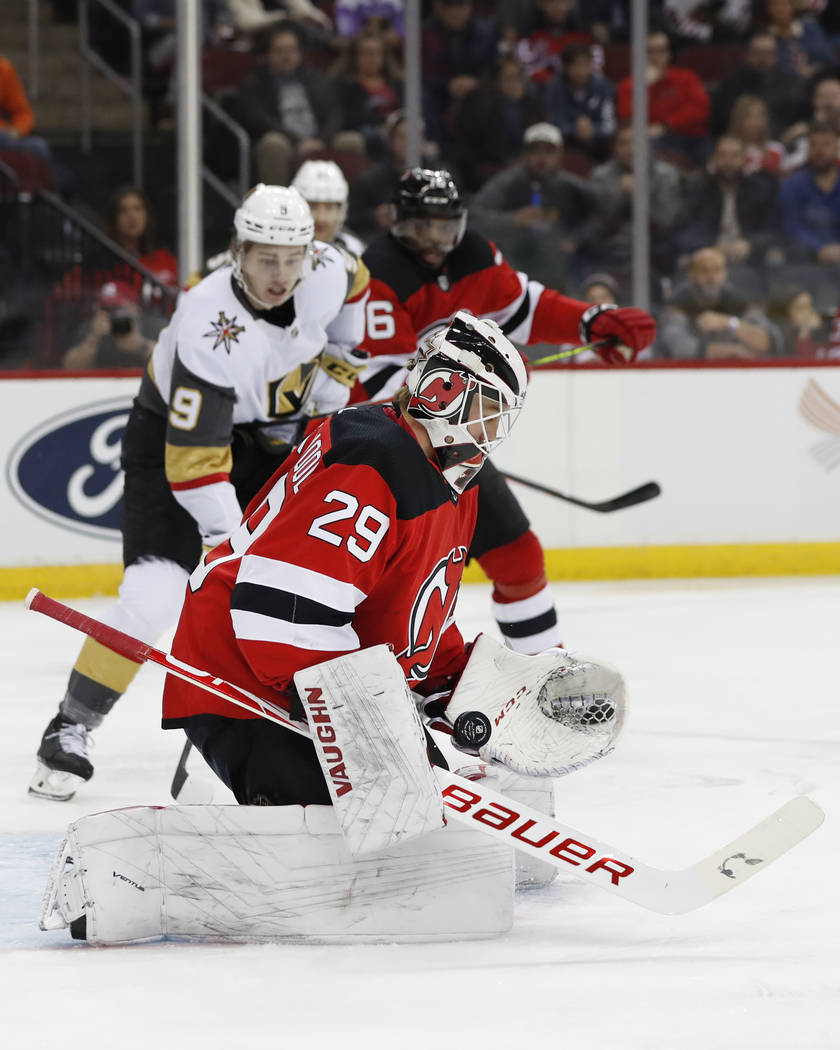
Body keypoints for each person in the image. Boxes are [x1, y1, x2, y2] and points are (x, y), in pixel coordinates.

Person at [29, 184, 371, 801]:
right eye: (265, 258)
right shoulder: (208, 325)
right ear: (237, 251)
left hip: (266, 438)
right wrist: (229, 547)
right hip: (173, 450)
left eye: (291, 259)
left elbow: (358, 284)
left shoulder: (326, 268)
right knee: (156, 593)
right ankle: (70, 726)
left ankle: (226, 739)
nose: (280, 275)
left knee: (288, 593)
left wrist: (341, 365)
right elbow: (194, 466)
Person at [162, 311, 528, 806]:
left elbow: (407, 607)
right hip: (247, 681)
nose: (494, 427)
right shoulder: (373, 461)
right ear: (443, 391)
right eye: (488, 406)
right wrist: (370, 719)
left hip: (312, 674)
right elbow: (282, 613)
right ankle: (232, 781)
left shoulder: (442, 477)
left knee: (426, 818)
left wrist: (452, 684)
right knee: (387, 819)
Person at [357, 167, 656, 654]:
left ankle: (547, 675)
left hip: (452, 454)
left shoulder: (475, 254)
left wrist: (590, 321)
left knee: (518, 559)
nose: (434, 242)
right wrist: (470, 405)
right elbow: (381, 385)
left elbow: (524, 307)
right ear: (398, 223)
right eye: (421, 229)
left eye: (444, 228)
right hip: (382, 458)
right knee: (385, 587)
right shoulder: (379, 272)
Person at [469, 121, 604, 288]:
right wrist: (513, 219)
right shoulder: (509, 183)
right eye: (535, 151)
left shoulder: (568, 185)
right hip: (515, 269)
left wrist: (576, 239)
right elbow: (474, 214)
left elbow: (600, 209)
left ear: (560, 154)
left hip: (559, 271)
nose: (542, 159)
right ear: (525, 154)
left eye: (548, 152)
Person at [236, 22, 363, 187]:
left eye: (291, 50)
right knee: (273, 143)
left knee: (352, 140)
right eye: (279, 50)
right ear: (268, 54)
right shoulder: (256, 83)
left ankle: (352, 204)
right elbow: (260, 120)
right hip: (285, 141)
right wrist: (298, 142)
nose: (286, 56)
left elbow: (334, 113)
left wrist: (321, 141)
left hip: (319, 138)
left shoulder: (317, 79)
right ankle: (277, 203)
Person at [657, 246, 781, 359]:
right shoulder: (677, 303)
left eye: (717, 270)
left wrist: (728, 323)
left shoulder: (737, 300)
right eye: (704, 271)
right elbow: (680, 349)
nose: (711, 277)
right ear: (692, 274)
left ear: (725, 274)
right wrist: (733, 350)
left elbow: (769, 342)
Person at [616, 30, 710, 165]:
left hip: (692, 138)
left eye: (660, 51)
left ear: (669, 54)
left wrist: (666, 125)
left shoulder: (687, 77)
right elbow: (628, 119)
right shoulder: (629, 85)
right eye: (649, 51)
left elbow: (700, 110)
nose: (655, 57)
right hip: (652, 140)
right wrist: (645, 87)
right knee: (641, 150)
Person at [779, 123, 840, 266]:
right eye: (814, 145)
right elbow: (791, 227)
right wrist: (820, 248)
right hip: (806, 261)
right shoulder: (792, 184)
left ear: (836, 148)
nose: (820, 151)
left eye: (826, 145)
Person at [543, 41, 616, 161]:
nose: (581, 71)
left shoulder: (604, 86)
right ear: (565, 67)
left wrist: (593, 130)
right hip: (567, 144)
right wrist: (575, 129)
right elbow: (553, 124)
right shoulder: (554, 88)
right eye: (576, 65)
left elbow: (610, 125)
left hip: (598, 145)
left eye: (586, 65)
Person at [61, 280, 155, 371]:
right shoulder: (91, 329)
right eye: (105, 308)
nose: (112, 314)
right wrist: (93, 339)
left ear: (134, 307)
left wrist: (142, 345)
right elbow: (70, 367)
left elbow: (168, 361)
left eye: (117, 308)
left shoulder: (151, 326)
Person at [291, 158, 365, 255]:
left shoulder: (355, 251)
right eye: (312, 206)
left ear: (341, 211)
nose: (321, 218)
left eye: (329, 208)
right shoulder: (281, 249)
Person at [0, 51, 55, 175]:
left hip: (2, 137)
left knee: (39, 146)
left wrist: (17, 131)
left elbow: (23, 113)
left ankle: (33, 192)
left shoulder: (3, 69)